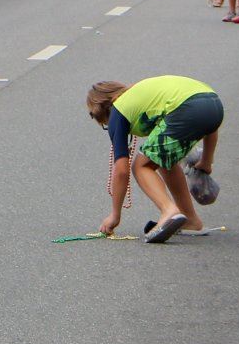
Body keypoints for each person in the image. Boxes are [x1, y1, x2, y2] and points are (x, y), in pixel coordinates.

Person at [86, 76, 223, 243]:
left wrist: (115, 215)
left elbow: (122, 170)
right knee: (163, 160)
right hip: (213, 102)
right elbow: (210, 125)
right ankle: (191, 220)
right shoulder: (140, 95)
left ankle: (169, 210)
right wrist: (206, 162)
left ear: (102, 111)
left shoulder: (118, 112)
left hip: (186, 108)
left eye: (105, 124)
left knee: (140, 166)